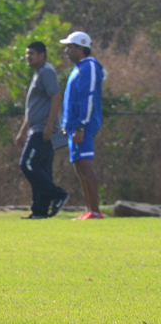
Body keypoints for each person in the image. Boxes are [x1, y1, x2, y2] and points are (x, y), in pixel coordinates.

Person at [15, 41, 70, 219]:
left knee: (27, 164)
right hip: (35, 129)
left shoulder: (46, 72)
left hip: (43, 130)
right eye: (27, 54)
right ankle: (39, 211)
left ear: (42, 55)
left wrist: (49, 125)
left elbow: (56, 97)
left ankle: (58, 194)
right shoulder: (38, 74)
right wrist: (23, 131)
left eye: (32, 54)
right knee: (42, 169)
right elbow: (33, 108)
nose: (28, 57)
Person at [60, 31, 105, 220]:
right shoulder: (79, 68)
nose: (66, 50)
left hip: (83, 125)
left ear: (80, 47)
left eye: (70, 47)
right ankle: (89, 209)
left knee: (86, 167)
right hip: (75, 126)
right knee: (79, 167)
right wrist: (67, 124)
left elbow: (88, 98)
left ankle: (95, 210)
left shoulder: (89, 67)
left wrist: (81, 126)